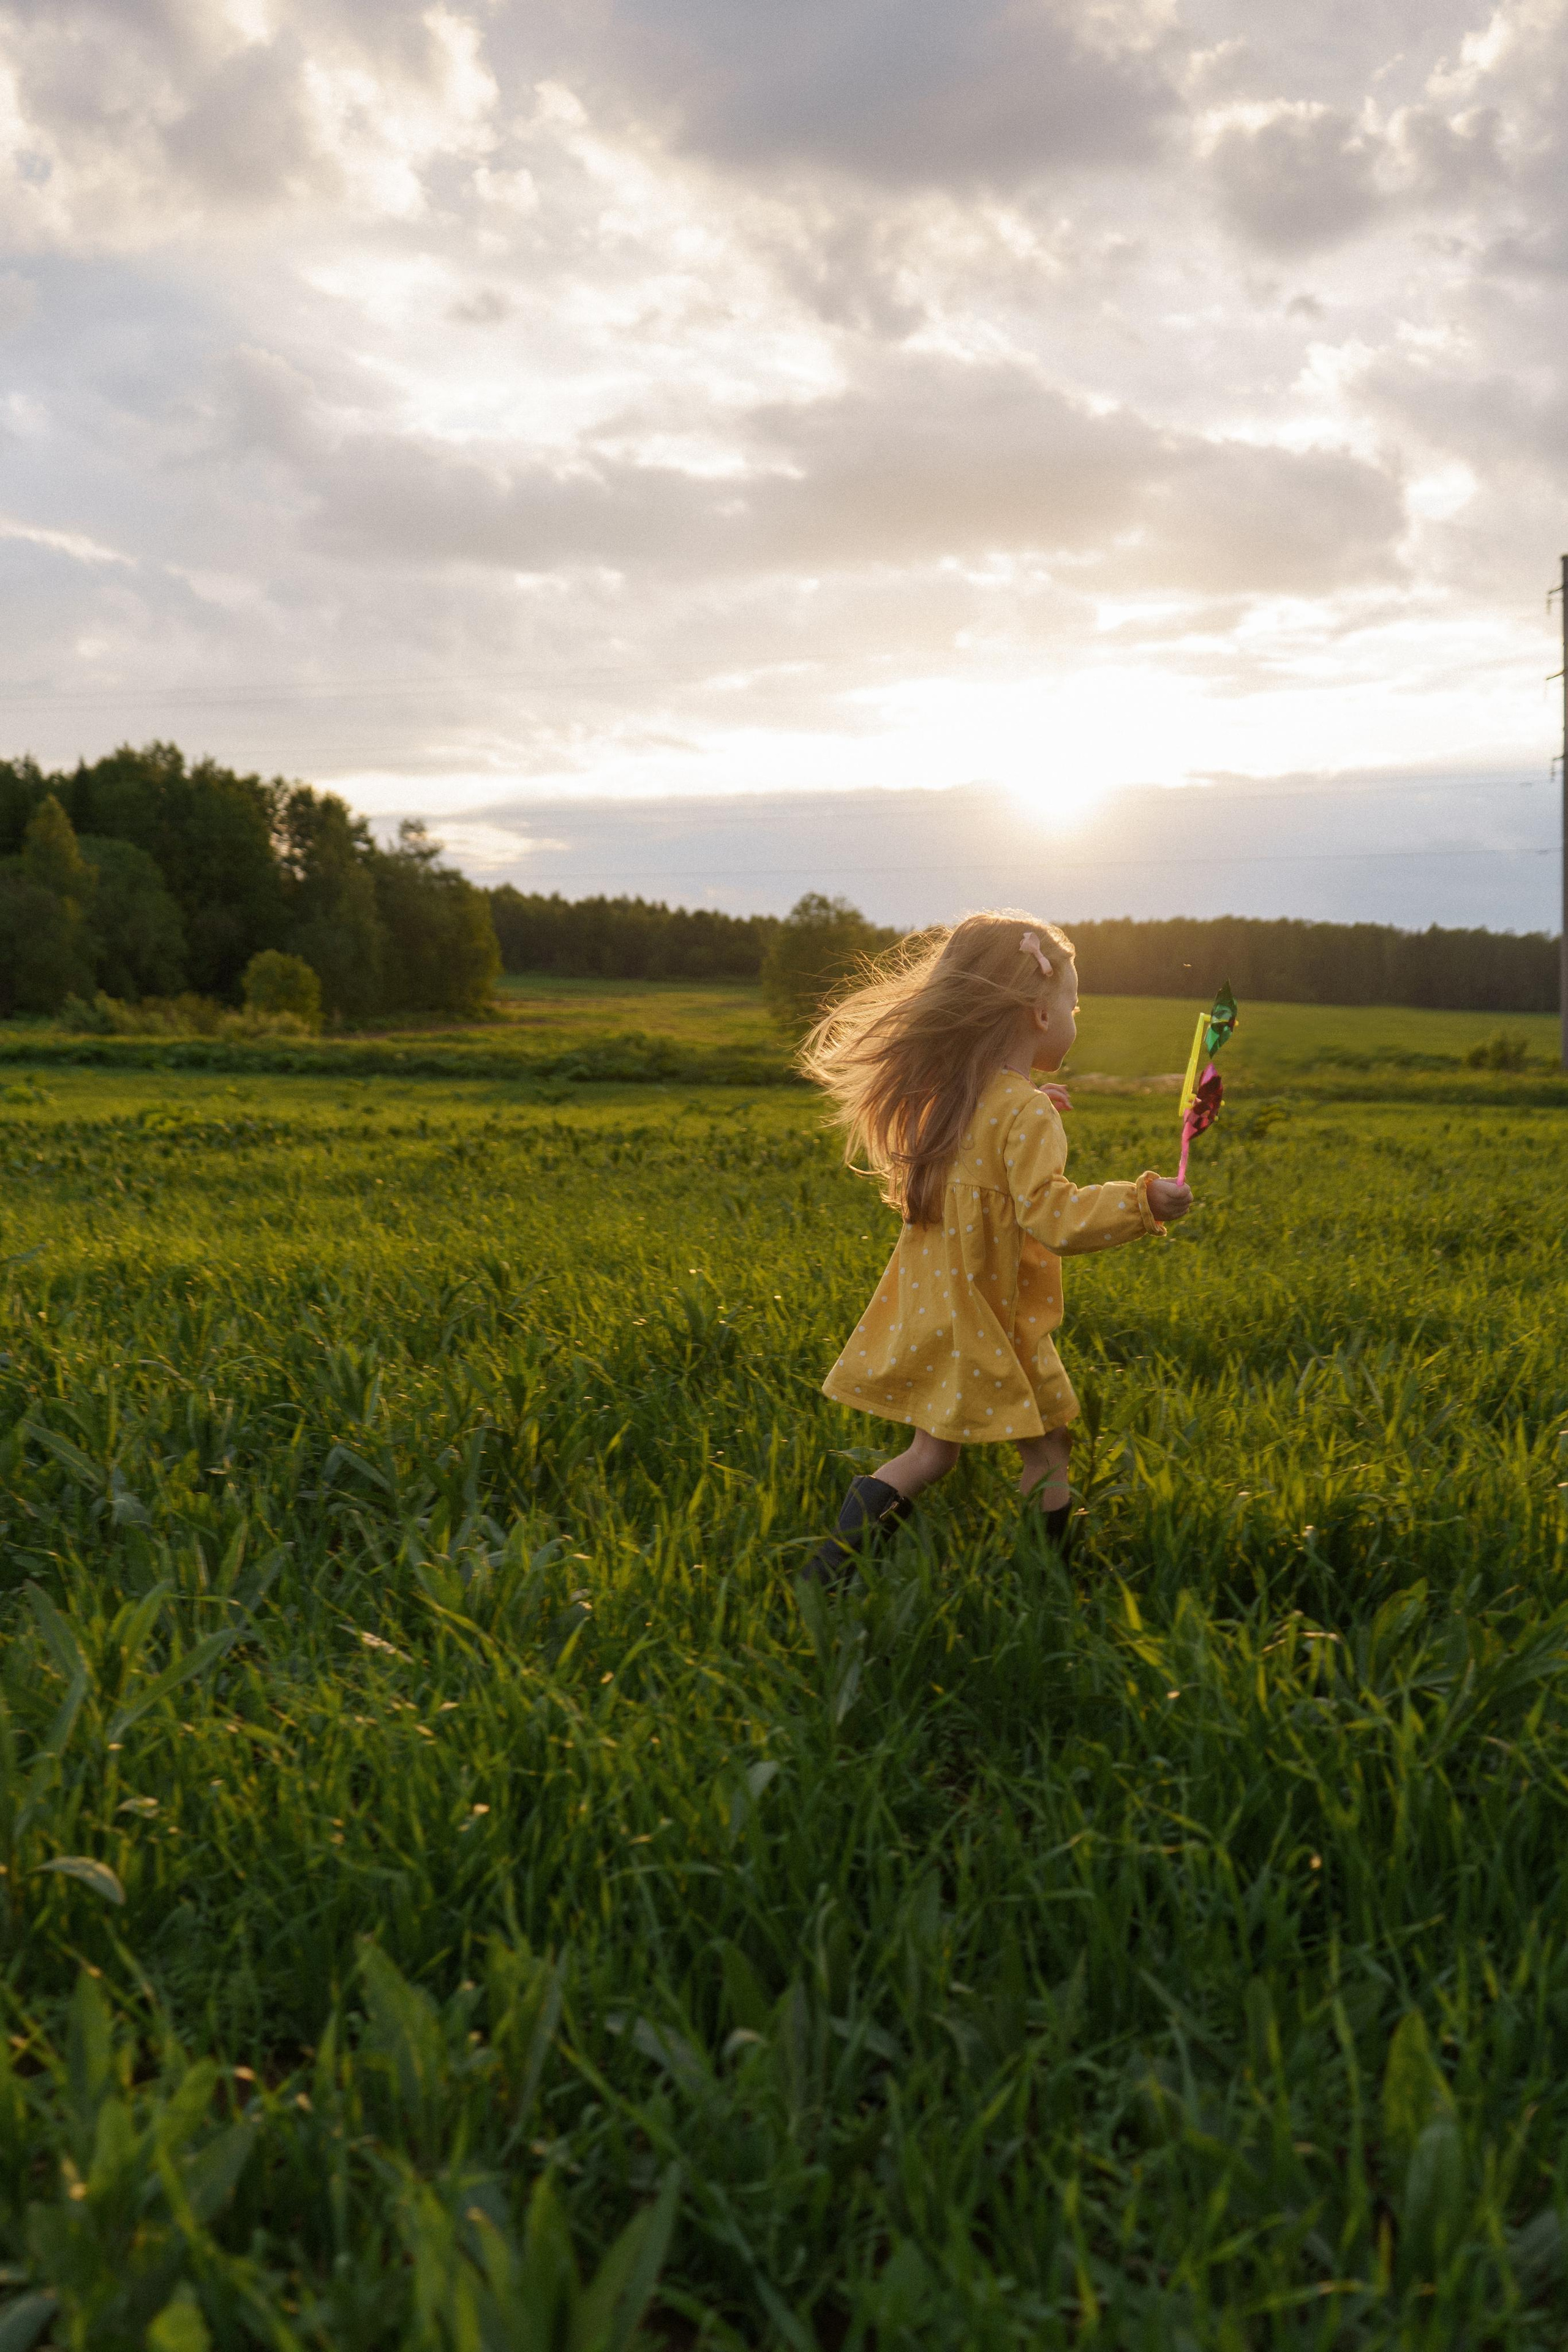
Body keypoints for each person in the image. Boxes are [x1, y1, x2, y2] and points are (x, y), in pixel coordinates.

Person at [801, 910, 1193, 1580]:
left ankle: (826, 1573)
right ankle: (1048, 1587)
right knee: (1049, 1449)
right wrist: (1141, 1200)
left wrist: (1032, 1099)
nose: (1075, 1016)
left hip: (940, 1311)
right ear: (1039, 1015)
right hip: (997, 1322)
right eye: (1072, 1003)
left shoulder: (950, 1099)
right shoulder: (1022, 1110)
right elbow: (1054, 1217)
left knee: (931, 1456)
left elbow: (988, 1160)